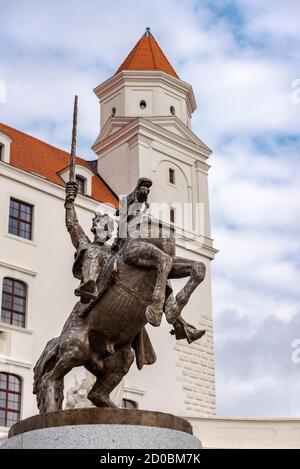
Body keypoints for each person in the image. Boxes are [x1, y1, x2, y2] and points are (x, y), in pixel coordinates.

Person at [64, 181, 114, 303]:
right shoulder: (85, 243)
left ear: (107, 228)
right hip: (96, 282)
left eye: (100, 220)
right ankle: (88, 285)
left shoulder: (113, 250)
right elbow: (73, 225)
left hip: (112, 279)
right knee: (92, 250)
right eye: (96, 220)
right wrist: (70, 204)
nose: (95, 221)